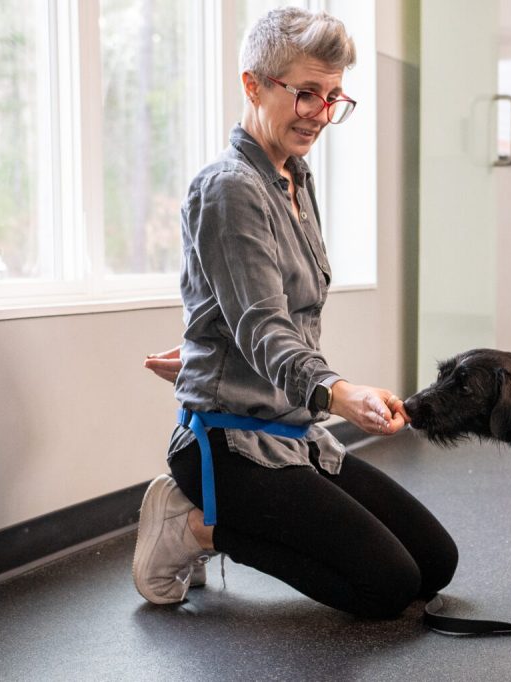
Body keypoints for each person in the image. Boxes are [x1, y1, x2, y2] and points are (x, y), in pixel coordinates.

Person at [132, 8, 457, 620]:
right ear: (253, 84)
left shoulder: (295, 178)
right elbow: (262, 325)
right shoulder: (229, 187)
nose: (321, 112)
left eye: (334, 96)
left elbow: (253, 310)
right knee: (386, 588)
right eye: (307, 93)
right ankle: (193, 528)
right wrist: (335, 391)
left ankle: (208, 520)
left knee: (435, 565)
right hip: (227, 445)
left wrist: (207, 346)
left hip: (292, 433)